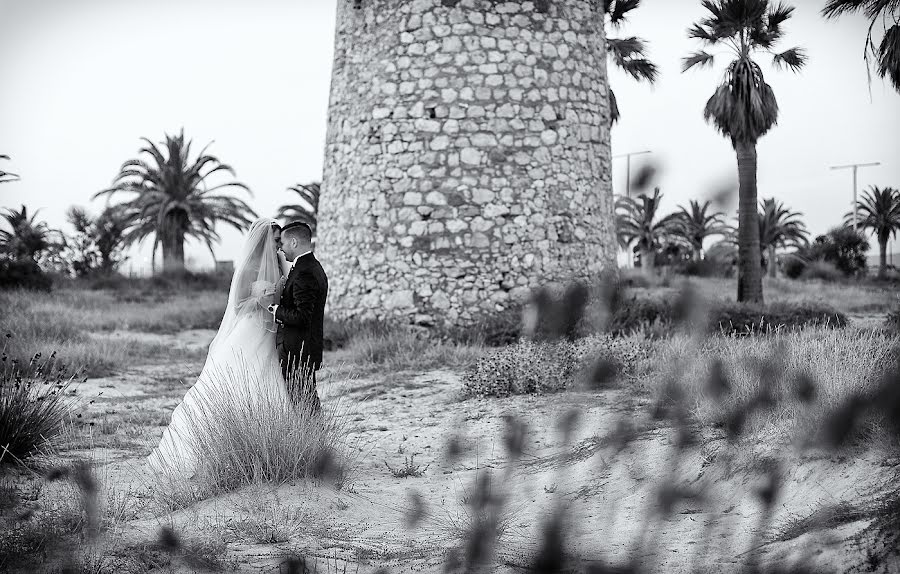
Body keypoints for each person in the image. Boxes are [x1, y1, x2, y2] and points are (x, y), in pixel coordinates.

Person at [147, 218, 289, 477]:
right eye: (275, 239)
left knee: (267, 379)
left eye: (280, 240)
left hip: (271, 334)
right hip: (250, 330)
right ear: (262, 240)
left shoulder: (280, 265)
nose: (278, 244)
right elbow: (237, 307)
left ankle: (267, 451)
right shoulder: (248, 268)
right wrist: (259, 300)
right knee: (238, 380)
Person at [268, 221, 329, 413]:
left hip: (299, 349)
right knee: (305, 398)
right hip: (303, 347)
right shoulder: (308, 266)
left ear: (293, 242)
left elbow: (302, 316)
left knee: (304, 400)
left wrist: (276, 310)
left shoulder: (305, 272)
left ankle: (315, 440)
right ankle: (315, 439)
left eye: (283, 244)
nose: (280, 248)